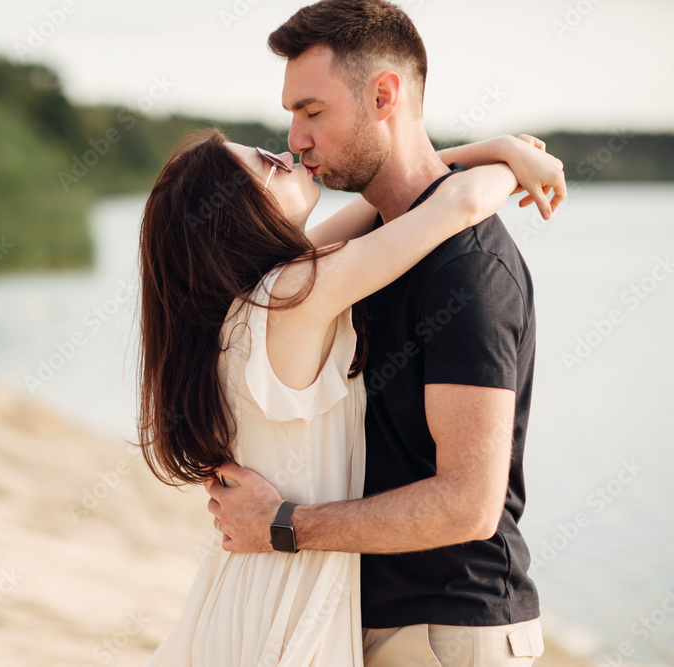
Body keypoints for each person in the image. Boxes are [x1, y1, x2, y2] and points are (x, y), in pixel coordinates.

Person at [204, 2, 566, 665]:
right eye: (292, 117)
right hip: (371, 620)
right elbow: (426, 193)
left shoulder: (468, 266)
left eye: (311, 112)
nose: (296, 140)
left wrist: (282, 525)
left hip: (448, 626)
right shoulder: (346, 262)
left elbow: (467, 505)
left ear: (383, 95)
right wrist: (500, 153)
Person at [138, 129, 563, 662]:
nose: (289, 152)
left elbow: (399, 195)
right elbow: (460, 202)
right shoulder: (292, 294)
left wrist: (499, 147)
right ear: (238, 213)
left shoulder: (252, 303)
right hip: (285, 591)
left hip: (253, 581)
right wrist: (518, 165)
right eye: (269, 161)